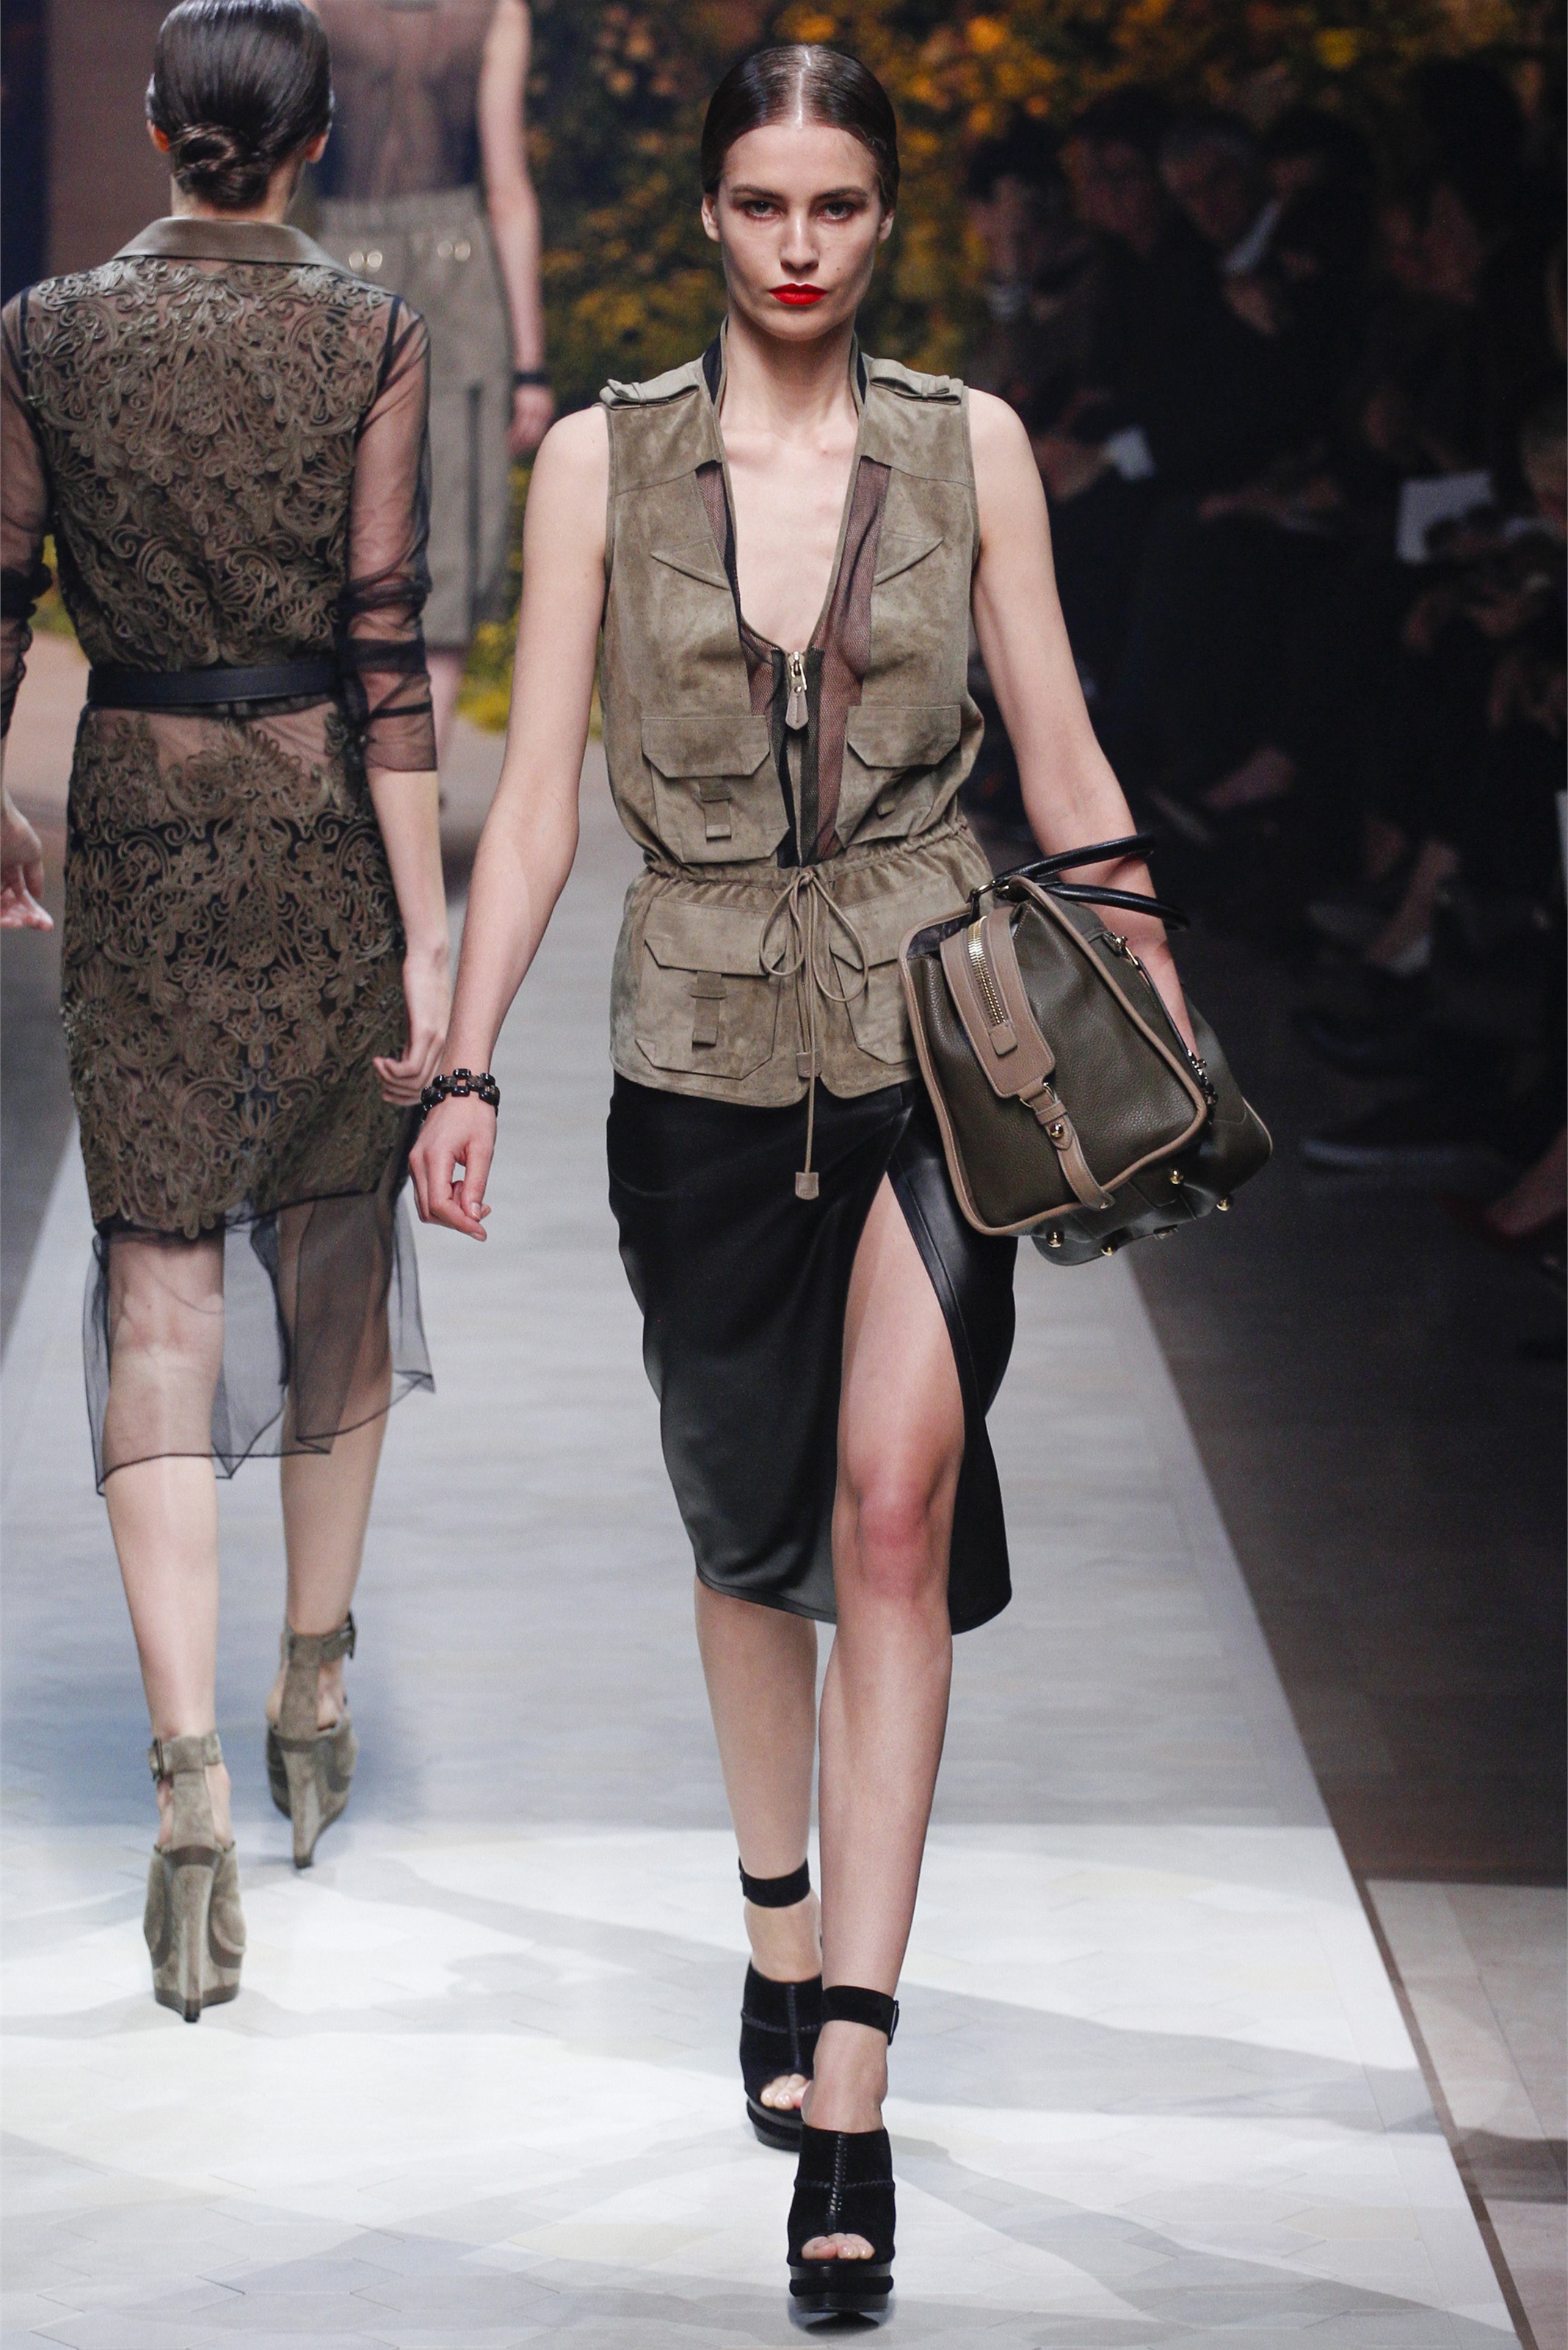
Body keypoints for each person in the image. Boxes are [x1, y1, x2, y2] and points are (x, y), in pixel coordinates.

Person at [410, 43, 1196, 2319]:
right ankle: (776, 1920)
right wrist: (462, 1055)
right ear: (710, 213)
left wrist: (1151, 982)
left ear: (884, 218)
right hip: (695, 1057)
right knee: (747, 1521)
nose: (795, 243)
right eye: (761, 202)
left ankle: (850, 2070)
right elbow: (537, 799)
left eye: (835, 204)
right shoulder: (599, 460)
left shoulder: (972, 448)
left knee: (889, 1513)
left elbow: (1059, 748)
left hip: (944, 1038)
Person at [0, 0, 448, 2016]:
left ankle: (183, 1783)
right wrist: (429, 934)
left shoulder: (43, 333)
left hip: (138, 823)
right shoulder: (370, 334)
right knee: (331, 1258)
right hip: (322, 823)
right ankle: (310, 1688)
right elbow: (384, 645)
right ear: (318, 138)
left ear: (158, 126)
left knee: (160, 1290)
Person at [308, 0, 551, 755]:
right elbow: (508, 189)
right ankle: (418, 771)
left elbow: (280, 158)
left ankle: (363, 769)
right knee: (449, 540)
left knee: (338, 520)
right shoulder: (496, 10)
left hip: (341, 266)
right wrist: (530, 364)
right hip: (459, 277)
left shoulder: (315, 6)